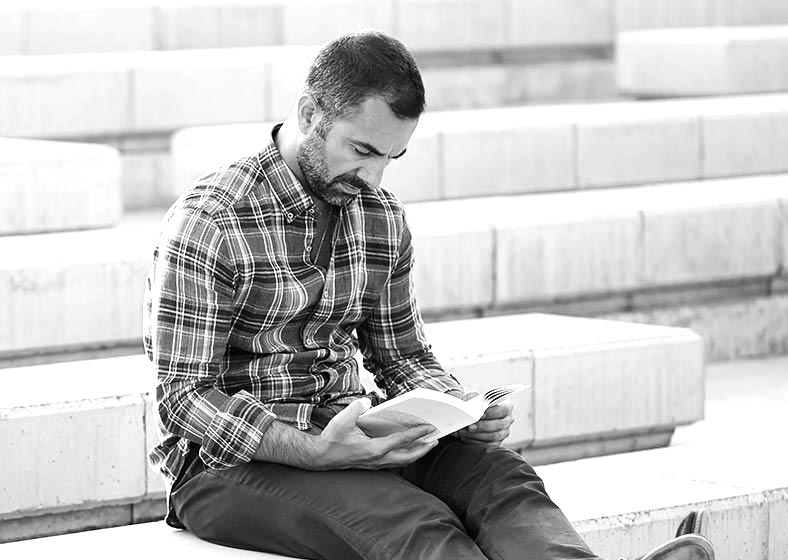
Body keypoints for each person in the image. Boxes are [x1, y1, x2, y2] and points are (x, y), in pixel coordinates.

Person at [143, 30, 715, 560]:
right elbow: (183, 397)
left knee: (501, 477)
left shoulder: (379, 216)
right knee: (411, 520)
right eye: (362, 150)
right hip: (226, 467)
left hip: (355, 432)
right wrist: (314, 451)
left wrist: (458, 410)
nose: (374, 178)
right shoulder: (211, 220)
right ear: (311, 113)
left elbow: (403, 356)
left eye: (390, 158)